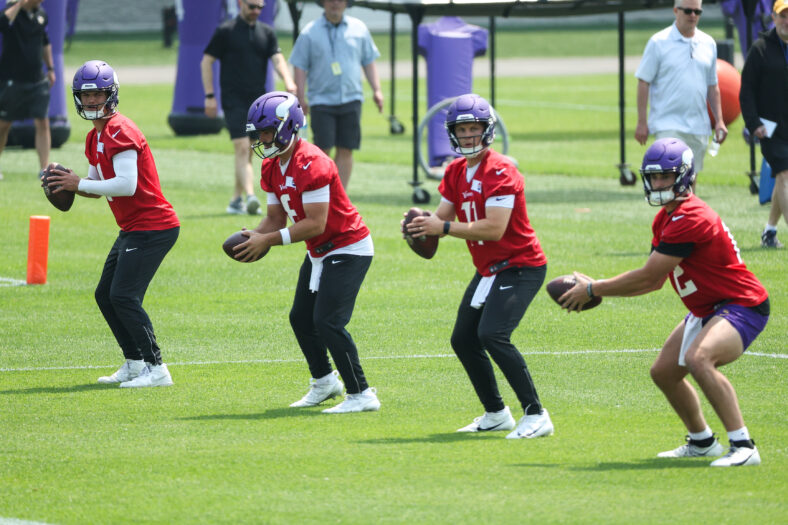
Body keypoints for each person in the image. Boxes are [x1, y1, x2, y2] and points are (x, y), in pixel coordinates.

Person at [560, 138, 770, 467]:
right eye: (654, 177)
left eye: (665, 177)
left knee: (699, 359)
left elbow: (646, 277)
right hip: (708, 308)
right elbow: (654, 281)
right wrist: (596, 288)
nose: (658, 184)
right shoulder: (666, 218)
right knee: (664, 373)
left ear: (684, 177)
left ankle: (744, 446)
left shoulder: (691, 217)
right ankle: (702, 441)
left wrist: (593, 289)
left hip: (741, 304)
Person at [404, 94, 553, 439]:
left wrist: (440, 228)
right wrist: (420, 225)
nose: (469, 136)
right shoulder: (455, 170)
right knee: (463, 339)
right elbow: (441, 218)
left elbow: (494, 228)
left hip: (521, 264)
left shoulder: (502, 170)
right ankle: (496, 412)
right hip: (490, 267)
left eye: (474, 128)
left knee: (493, 335)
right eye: (462, 129)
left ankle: (536, 413)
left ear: (488, 131)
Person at [235, 91, 379, 413]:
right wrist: (254, 235)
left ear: (289, 127)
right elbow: (275, 218)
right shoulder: (272, 166)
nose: (262, 138)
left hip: (348, 246)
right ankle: (325, 381)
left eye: (267, 131)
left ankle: (361, 393)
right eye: (259, 132)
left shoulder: (313, 163)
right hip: (320, 249)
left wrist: (267, 241)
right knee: (301, 318)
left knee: (328, 321)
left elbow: (316, 222)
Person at [45, 60, 180, 388]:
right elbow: (94, 184)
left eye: (98, 94)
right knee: (106, 294)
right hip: (135, 227)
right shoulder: (95, 137)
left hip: (154, 226)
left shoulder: (121, 130)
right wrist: (68, 183)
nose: (92, 101)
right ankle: (134, 362)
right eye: (86, 96)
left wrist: (80, 184)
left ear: (111, 93)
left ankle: (157, 369)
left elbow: (126, 185)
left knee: (123, 296)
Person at [201, 0, 296, 216]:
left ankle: (236, 199)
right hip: (233, 100)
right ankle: (252, 196)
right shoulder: (225, 31)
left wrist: (289, 81)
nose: (256, 11)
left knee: (249, 151)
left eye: (260, 8)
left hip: (258, 103)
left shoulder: (267, 32)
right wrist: (209, 96)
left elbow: (277, 58)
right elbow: (206, 62)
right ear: (240, 3)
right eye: (252, 6)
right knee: (242, 148)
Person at [289, 0, 384, 188]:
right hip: (321, 100)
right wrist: (301, 97)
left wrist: (377, 90)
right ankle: (322, 193)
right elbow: (299, 65)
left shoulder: (359, 29)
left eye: (340, 0)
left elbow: (369, 61)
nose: (335, 3)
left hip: (351, 98)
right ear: (323, 3)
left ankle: (339, 196)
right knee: (322, 150)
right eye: (330, 0)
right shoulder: (310, 32)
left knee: (346, 149)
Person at [634, 0, 727, 182]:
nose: (693, 16)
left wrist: (720, 121)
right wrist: (641, 122)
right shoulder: (658, 42)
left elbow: (712, 85)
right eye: (687, 11)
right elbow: (643, 81)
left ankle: (686, 212)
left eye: (697, 12)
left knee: (690, 180)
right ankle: (671, 212)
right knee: (669, 179)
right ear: (676, 11)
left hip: (698, 125)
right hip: (667, 124)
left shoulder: (708, 43)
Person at [739, 0, 788, 248]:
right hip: (770, 129)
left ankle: (769, 231)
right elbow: (746, 90)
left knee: (783, 179)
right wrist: (753, 122)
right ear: (773, 17)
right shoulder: (759, 49)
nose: (787, 21)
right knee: (785, 175)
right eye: (783, 15)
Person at [0, 0, 55, 181]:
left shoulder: (41, 15)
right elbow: (2, 22)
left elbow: (45, 42)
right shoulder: (12, 13)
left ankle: (44, 168)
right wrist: (19, 4)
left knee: (43, 122)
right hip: (12, 80)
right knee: (3, 125)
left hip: (37, 79)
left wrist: (50, 69)